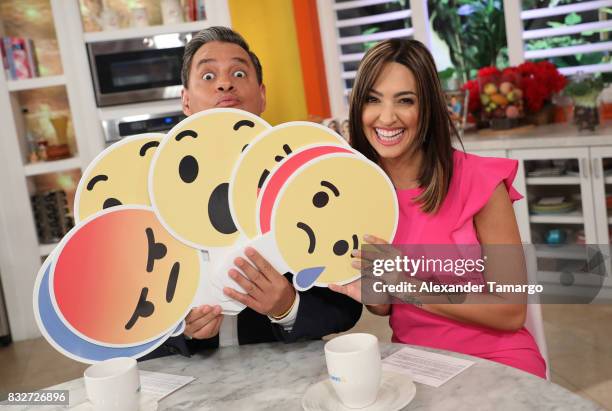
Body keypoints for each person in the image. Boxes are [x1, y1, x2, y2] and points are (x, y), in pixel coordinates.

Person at [329, 39, 546, 378]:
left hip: (498, 358)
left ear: (427, 107)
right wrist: (370, 284)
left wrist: (408, 285)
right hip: (415, 361)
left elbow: (511, 311)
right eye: (372, 99)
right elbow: (384, 305)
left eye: (405, 100)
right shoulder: (359, 191)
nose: (386, 117)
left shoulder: (479, 182)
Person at [145, 27, 361, 358]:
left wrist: (288, 306)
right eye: (207, 75)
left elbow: (346, 303)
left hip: (287, 371)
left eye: (239, 72)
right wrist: (178, 328)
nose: (224, 83)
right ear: (185, 99)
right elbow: (124, 315)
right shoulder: (152, 187)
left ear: (262, 95)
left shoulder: (307, 177)